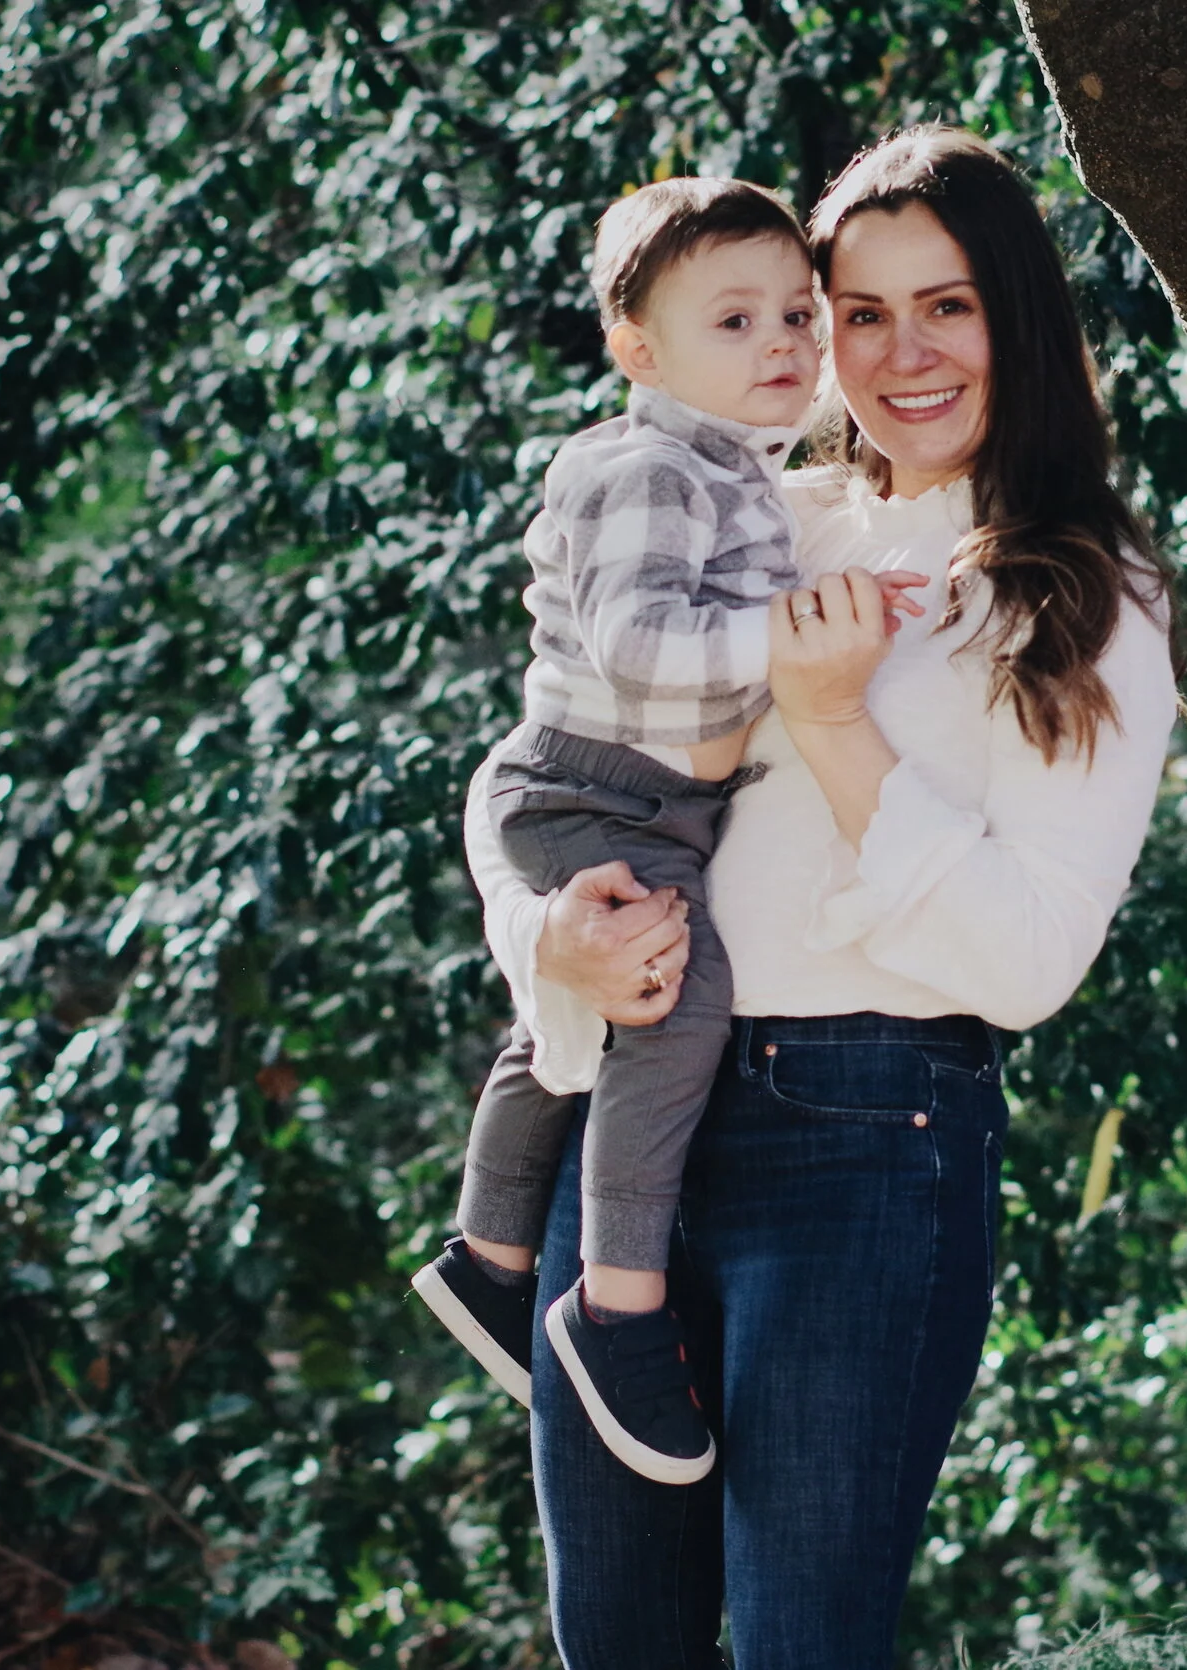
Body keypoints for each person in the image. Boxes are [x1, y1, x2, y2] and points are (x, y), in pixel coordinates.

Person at [461, 126, 1178, 1665]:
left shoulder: (1085, 591)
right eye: (861, 311)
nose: (902, 353)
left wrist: (838, 720)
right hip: (634, 1117)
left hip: (862, 1139)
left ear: (1018, 317)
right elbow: (534, 764)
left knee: (804, 1643)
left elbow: (1032, 963)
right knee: (619, 1644)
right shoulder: (755, 514)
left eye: (948, 305)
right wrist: (544, 943)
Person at [417, 176, 918, 1487]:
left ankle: (489, 1260)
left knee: (579, 1015)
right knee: (674, 1004)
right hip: (593, 791)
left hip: (641, 801)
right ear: (639, 352)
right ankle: (616, 1307)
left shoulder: (735, 471)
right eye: (735, 321)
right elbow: (638, 646)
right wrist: (797, 638)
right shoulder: (648, 469)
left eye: (798, 315)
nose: (785, 344)